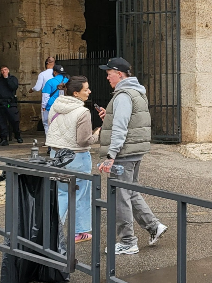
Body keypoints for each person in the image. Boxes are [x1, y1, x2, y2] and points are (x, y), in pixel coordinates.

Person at [97, 56, 167, 254]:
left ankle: (128, 241)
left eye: (109, 74)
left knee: (120, 197)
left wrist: (111, 155)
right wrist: (108, 116)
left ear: (119, 74)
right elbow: (128, 121)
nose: (107, 78)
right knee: (130, 191)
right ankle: (153, 226)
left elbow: (120, 128)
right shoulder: (136, 92)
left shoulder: (122, 95)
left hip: (124, 153)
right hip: (134, 151)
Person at [45, 75, 101, 242]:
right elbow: (84, 140)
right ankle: (79, 231)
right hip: (77, 156)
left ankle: (53, 229)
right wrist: (98, 133)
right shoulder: (82, 112)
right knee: (81, 194)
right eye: (86, 89)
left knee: (61, 193)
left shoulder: (55, 106)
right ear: (76, 93)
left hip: (56, 155)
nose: (89, 91)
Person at [0, 65, 23, 146]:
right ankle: (4, 139)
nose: (3, 71)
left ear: (8, 70)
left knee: (15, 120)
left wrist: (7, 78)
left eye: (5, 69)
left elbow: (13, 87)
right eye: (2, 70)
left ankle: (17, 135)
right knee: (1, 122)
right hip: (0, 104)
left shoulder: (13, 79)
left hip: (10, 104)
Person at [35, 56, 57, 127]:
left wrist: (32, 89)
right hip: (58, 100)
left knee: (46, 123)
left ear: (46, 63)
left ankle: (49, 138)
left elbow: (37, 88)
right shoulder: (59, 75)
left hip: (47, 101)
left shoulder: (42, 74)